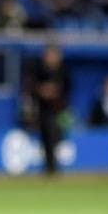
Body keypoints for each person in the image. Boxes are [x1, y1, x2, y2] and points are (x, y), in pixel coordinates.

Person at [32, 43, 71, 174]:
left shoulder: (63, 70)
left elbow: (68, 88)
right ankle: (49, 167)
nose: (51, 57)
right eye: (48, 54)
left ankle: (54, 166)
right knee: (46, 136)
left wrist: (55, 90)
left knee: (57, 135)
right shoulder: (39, 69)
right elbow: (32, 87)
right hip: (44, 110)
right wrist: (42, 90)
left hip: (60, 110)